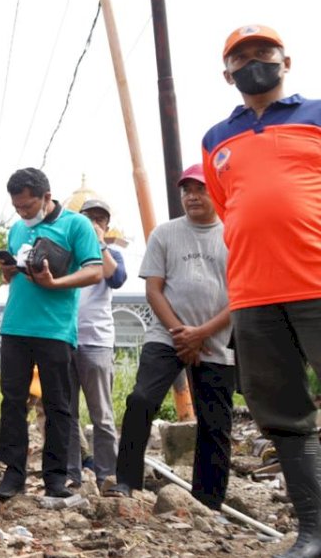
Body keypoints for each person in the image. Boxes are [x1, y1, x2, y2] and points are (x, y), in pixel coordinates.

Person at [201, 24, 321, 557]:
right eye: (242, 57)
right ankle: (314, 531)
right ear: (227, 73)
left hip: (316, 281)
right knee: (284, 416)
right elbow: (230, 209)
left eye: (264, 53)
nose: (254, 62)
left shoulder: (315, 115)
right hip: (253, 296)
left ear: (285, 61)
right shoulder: (215, 139)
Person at [106, 165, 234, 508]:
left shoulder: (234, 234)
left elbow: (242, 296)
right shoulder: (165, 234)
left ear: (217, 192)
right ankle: (126, 482)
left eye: (200, 189)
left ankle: (208, 502)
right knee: (141, 400)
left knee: (216, 422)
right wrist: (183, 334)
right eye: (186, 190)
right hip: (167, 334)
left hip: (216, 338)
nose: (192, 196)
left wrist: (202, 334)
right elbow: (153, 290)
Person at [0, 167, 102, 501]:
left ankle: (56, 478)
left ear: (46, 197)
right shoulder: (16, 229)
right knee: (12, 404)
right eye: (17, 207)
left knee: (58, 405)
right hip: (14, 327)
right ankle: (13, 475)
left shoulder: (76, 225)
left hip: (55, 330)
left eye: (27, 206)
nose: (22, 213)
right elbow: (16, 279)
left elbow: (94, 271)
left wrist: (56, 283)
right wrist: (9, 271)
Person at [68, 198, 127, 488]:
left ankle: (107, 475)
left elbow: (116, 278)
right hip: (66, 339)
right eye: (88, 218)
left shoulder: (112, 253)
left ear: (106, 226)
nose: (94, 223)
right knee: (66, 412)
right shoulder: (68, 252)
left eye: (100, 220)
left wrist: (100, 244)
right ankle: (70, 474)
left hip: (97, 341)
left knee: (101, 414)